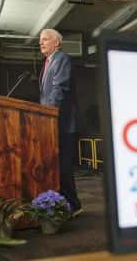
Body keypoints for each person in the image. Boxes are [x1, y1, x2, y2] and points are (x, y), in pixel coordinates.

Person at [39, 28, 82, 216]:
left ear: (56, 43)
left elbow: (59, 88)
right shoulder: (48, 62)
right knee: (57, 167)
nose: (41, 42)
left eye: (45, 39)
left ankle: (74, 205)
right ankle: (62, 204)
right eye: (40, 40)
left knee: (64, 167)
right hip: (51, 122)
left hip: (62, 123)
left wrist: (47, 113)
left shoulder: (61, 59)